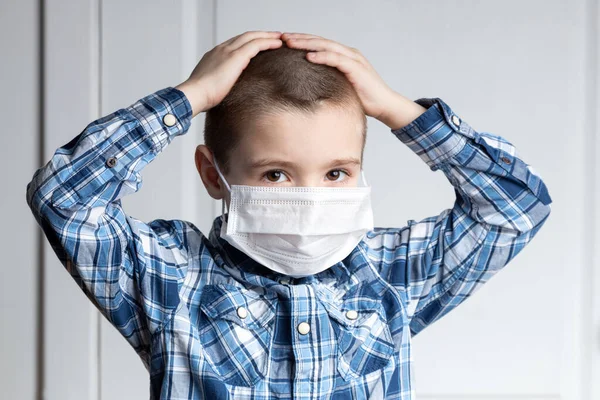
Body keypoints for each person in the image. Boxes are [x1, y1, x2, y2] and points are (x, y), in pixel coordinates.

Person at [26, 30, 553, 399]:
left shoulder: (391, 274)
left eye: (336, 173)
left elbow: (515, 208)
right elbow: (64, 198)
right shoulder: (169, 277)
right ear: (214, 176)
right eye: (276, 174)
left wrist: (397, 109)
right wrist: (189, 98)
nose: (310, 197)